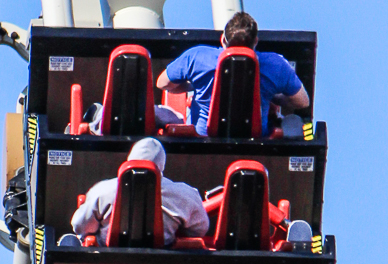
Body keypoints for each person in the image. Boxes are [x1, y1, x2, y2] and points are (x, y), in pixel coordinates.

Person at [156, 12, 310, 136]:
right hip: (255, 138)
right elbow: (302, 102)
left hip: (203, 135)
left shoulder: (196, 57)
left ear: (223, 39)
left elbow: (162, 83)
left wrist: (192, 85)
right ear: (255, 41)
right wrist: (273, 96)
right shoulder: (276, 65)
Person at [71, 137, 209, 246]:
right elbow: (200, 229)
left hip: (106, 260)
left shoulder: (102, 191)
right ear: (162, 165)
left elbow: (79, 226)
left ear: (129, 159)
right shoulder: (186, 194)